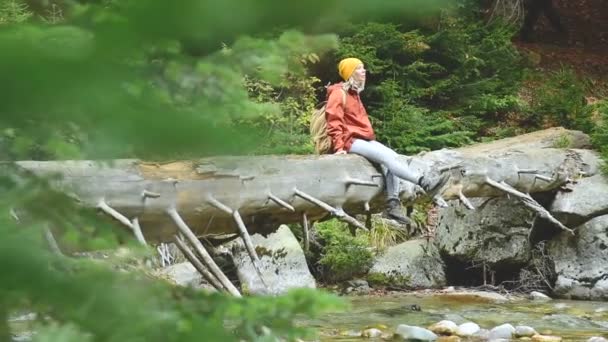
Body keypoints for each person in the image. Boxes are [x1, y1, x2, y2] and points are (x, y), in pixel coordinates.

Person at [324, 57, 448, 225]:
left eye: (363, 68)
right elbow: (333, 121)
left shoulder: (354, 92)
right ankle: (424, 182)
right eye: (360, 68)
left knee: (393, 157)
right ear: (351, 73)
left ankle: (392, 206)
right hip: (350, 140)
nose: (364, 71)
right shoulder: (339, 92)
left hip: (363, 138)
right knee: (389, 159)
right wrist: (339, 147)